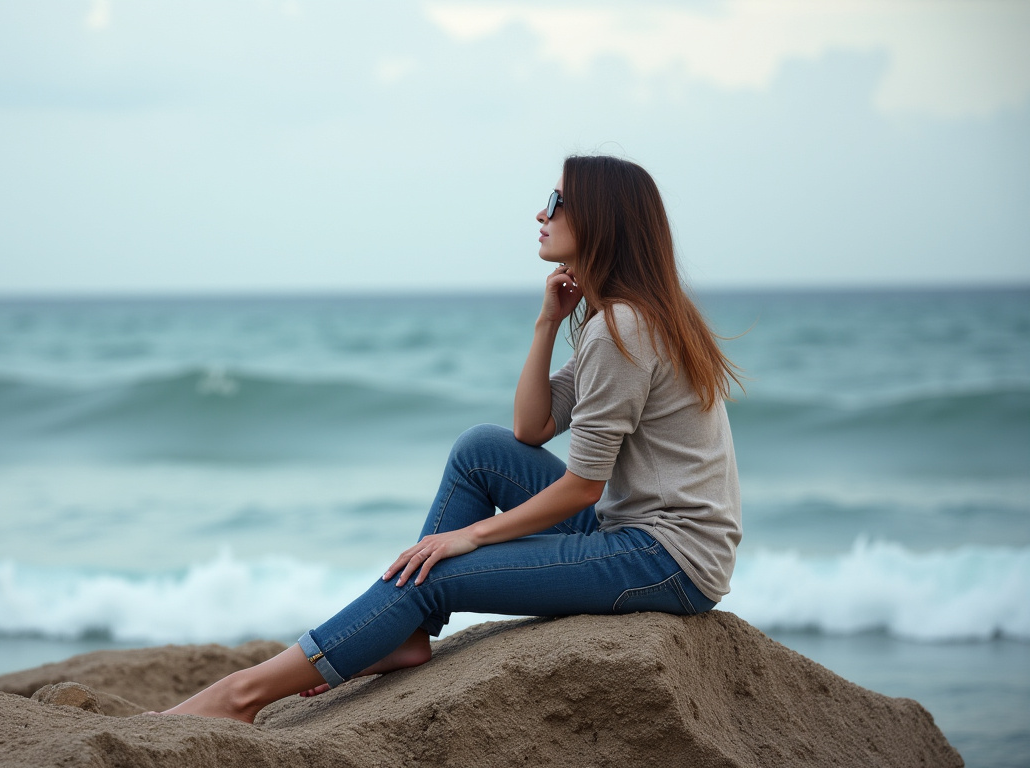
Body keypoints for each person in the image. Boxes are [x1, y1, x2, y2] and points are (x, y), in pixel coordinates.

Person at [161, 155, 743, 723]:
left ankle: (242, 695)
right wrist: (546, 323)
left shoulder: (626, 330)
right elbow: (530, 429)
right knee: (480, 450)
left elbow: (583, 487)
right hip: (634, 533)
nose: (541, 214)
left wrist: (469, 536)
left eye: (556, 202)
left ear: (598, 219)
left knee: (434, 571)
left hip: (667, 559)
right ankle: (407, 635)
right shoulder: (617, 320)